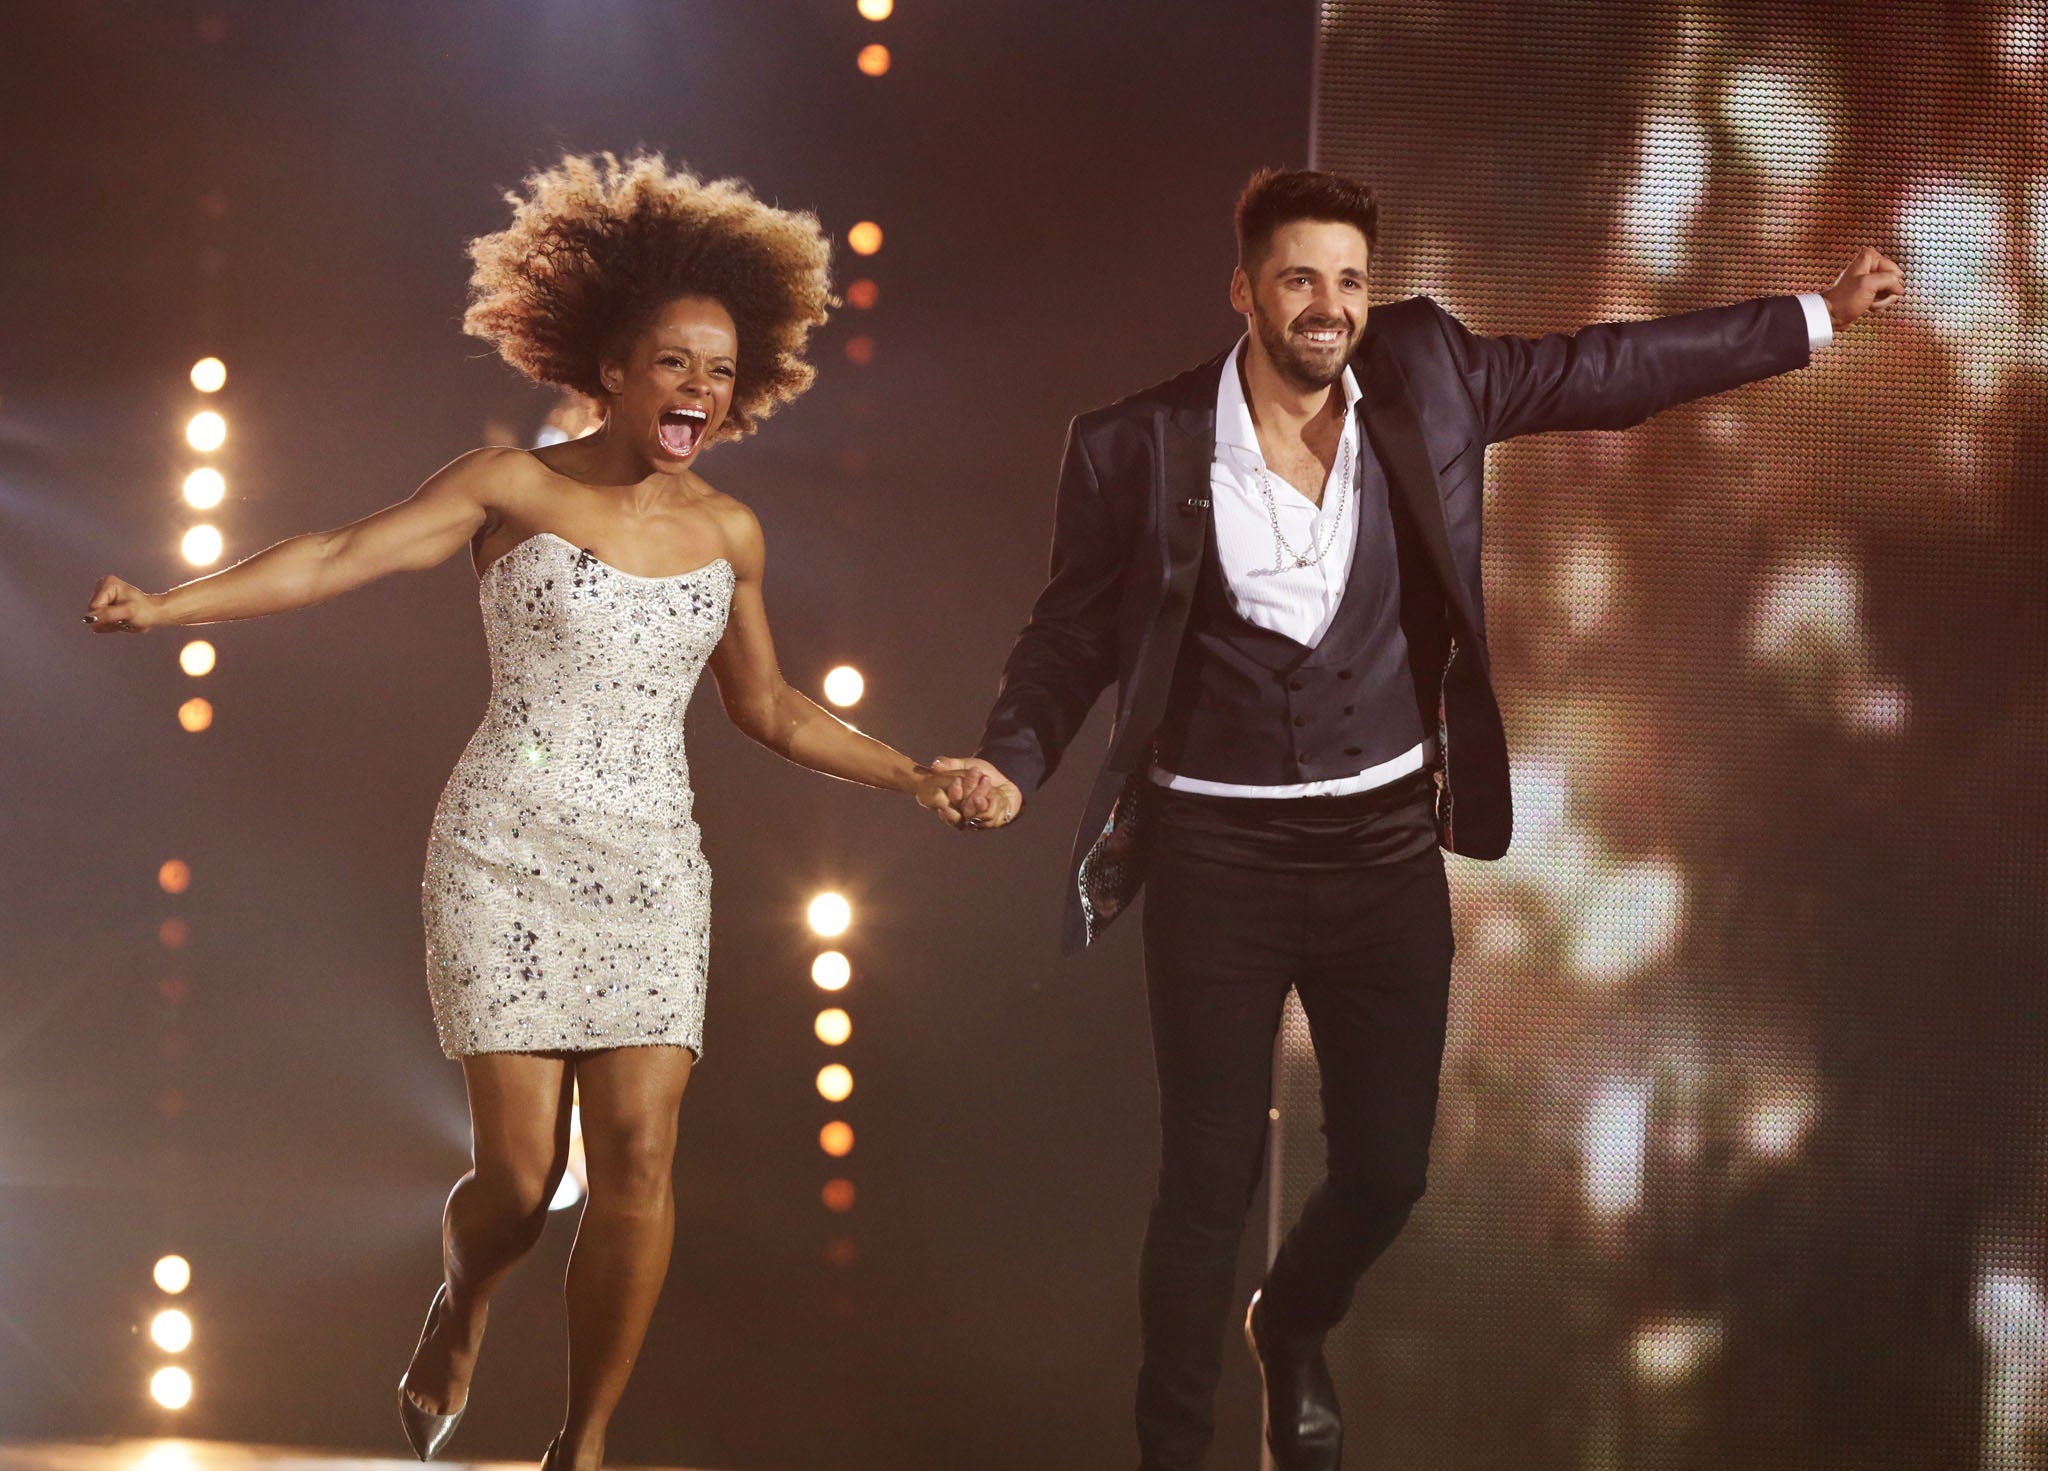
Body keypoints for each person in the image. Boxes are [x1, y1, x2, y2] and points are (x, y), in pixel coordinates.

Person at [949, 167, 1903, 1470]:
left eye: (1349, 279)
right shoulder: (1138, 443)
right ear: (1244, 292)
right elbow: (1067, 636)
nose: (1329, 307)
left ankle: (1290, 1324)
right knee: (1206, 1189)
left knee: (1389, 1169)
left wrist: (1814, 316)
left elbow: (1609, 371)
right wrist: (1014, 758)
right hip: (1217, 856)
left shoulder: (1430, 374)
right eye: (1299, 279)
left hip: (1381, 852)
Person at [83, 152, 984, 1471]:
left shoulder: (732, 533)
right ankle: (462, 1302)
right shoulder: (507, 486)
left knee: (638, 1163)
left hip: (652, 870)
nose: (699, 392)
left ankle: (587, 1443)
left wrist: (917, 774)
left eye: (720, 372)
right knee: (518, 1182)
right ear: (613, 367)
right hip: (504, 851)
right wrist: (169, 607)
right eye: (675, 363)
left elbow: (772, 708)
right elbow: (340, 555)